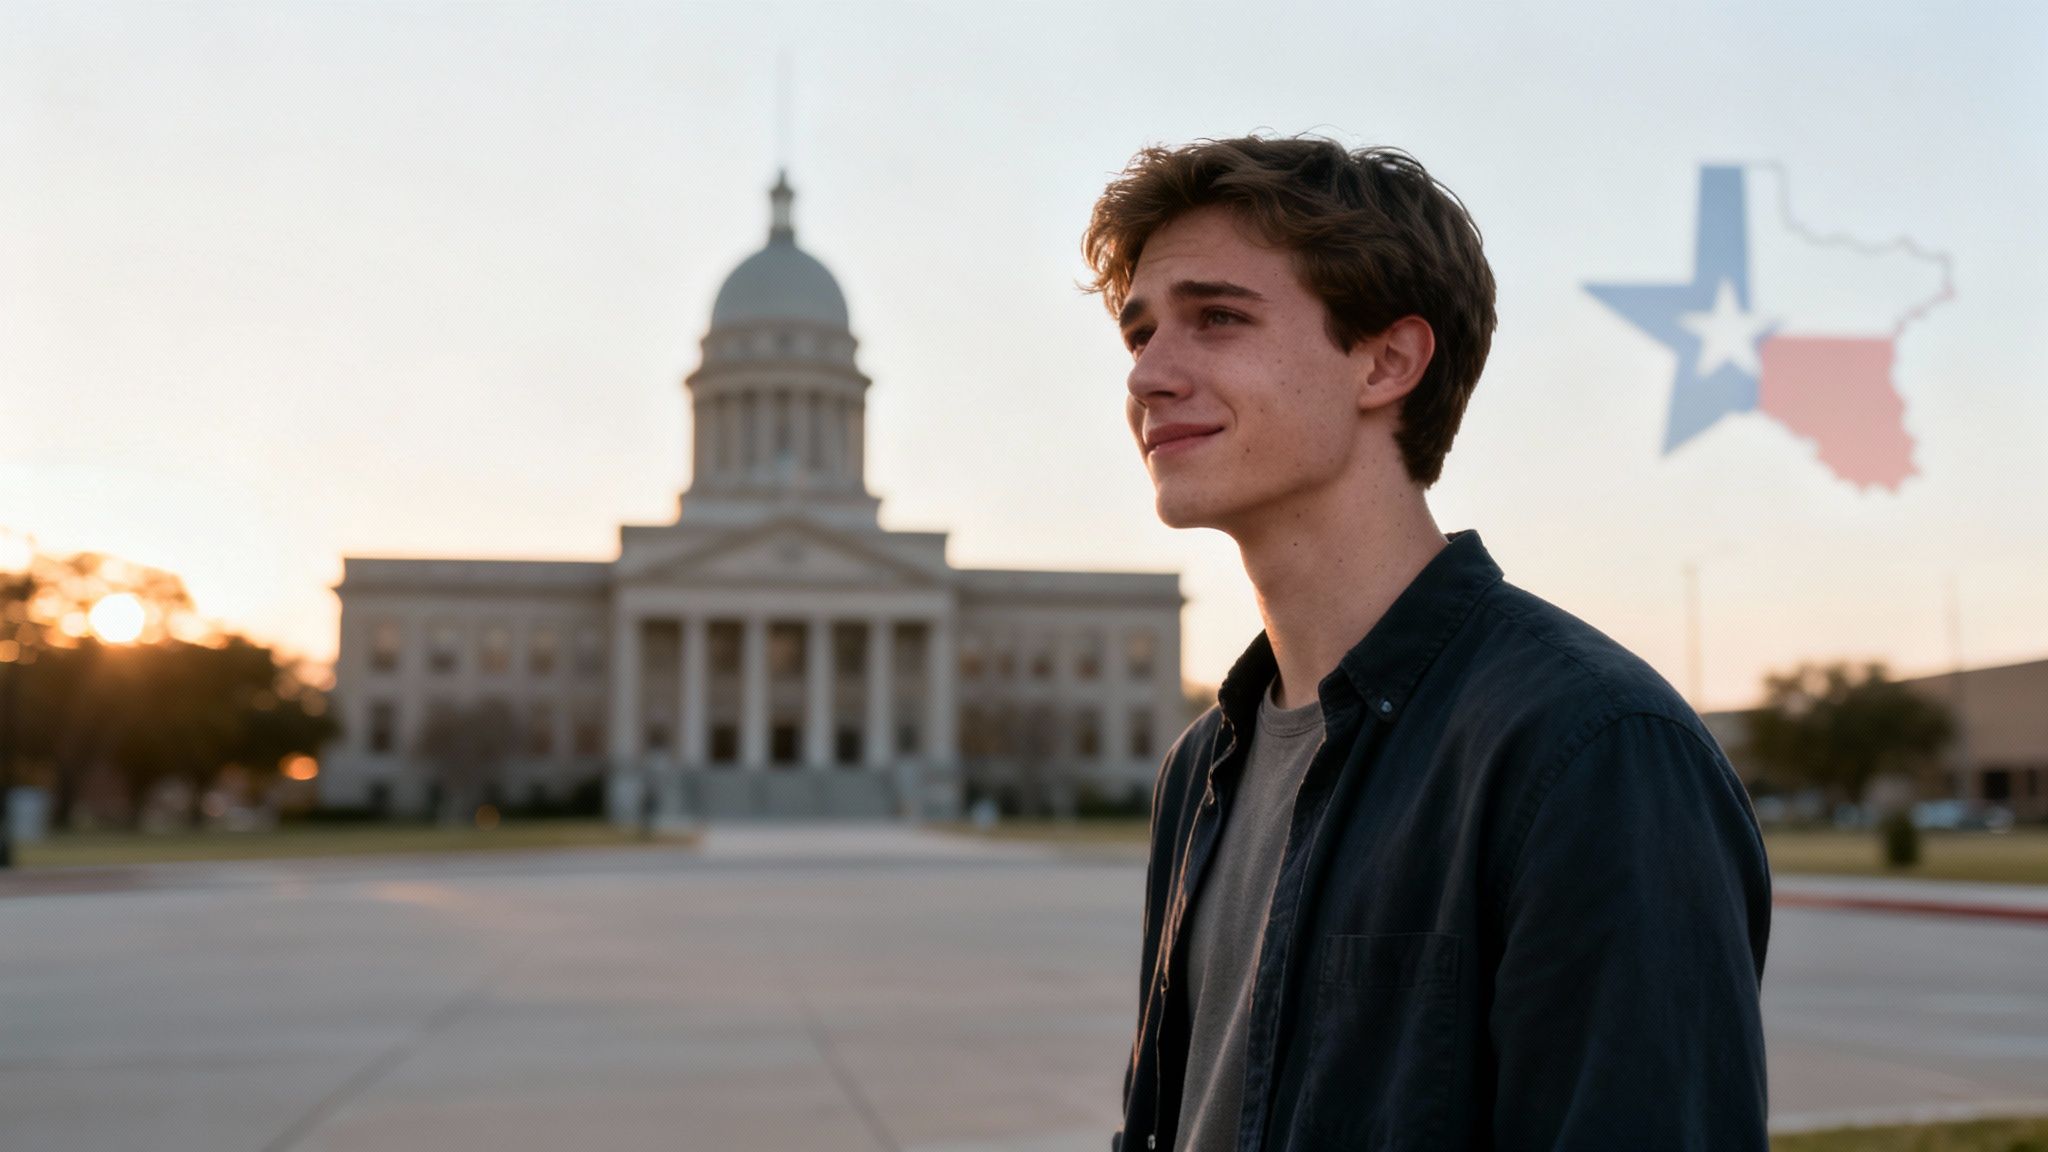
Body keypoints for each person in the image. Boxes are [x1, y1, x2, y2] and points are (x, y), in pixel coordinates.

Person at [1084, 135, 1770, 1151]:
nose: (1147, 375)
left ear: (1387, 361)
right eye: (1138, 334)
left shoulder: (1591, 751)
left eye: (1216, 319)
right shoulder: (1202, 767)